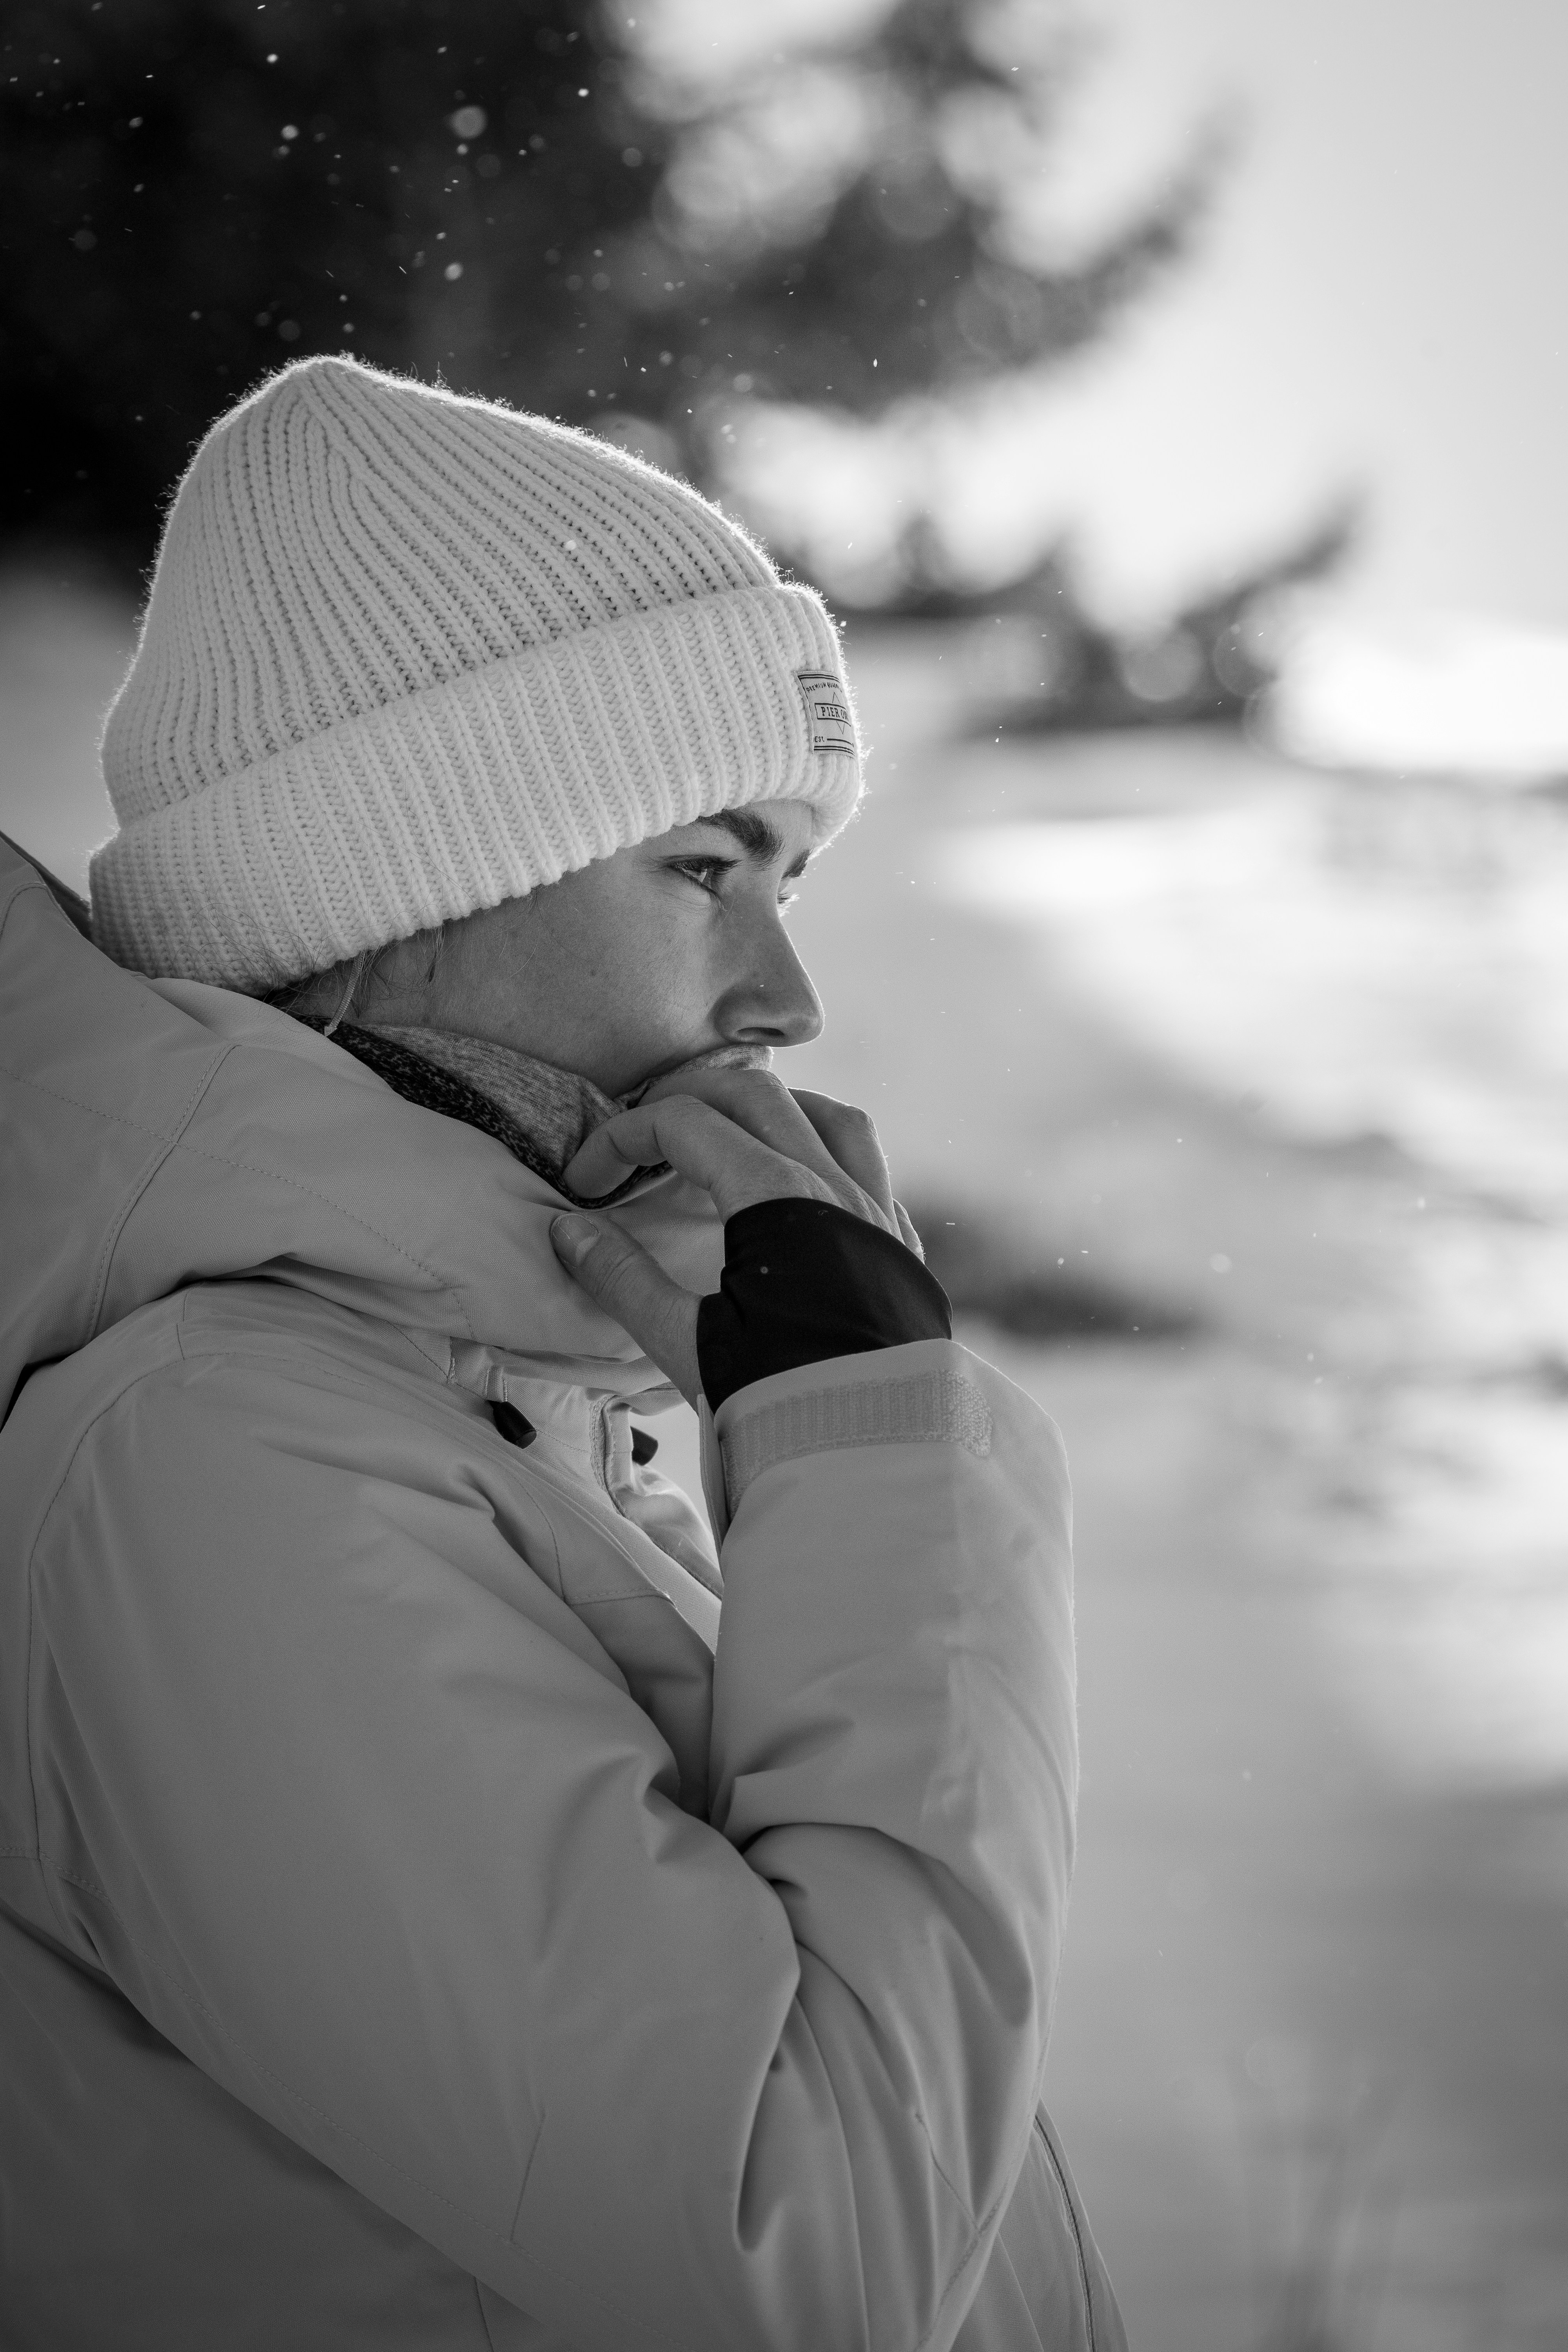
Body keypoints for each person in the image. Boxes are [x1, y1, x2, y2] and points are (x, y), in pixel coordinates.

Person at [0, 356, 1125, 2350]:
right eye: (702, 867)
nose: (785, 996)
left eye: (787, 881)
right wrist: (877, 1451)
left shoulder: (493, 1415)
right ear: (399, 876)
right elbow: (816, 2261)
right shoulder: (221, 1467)